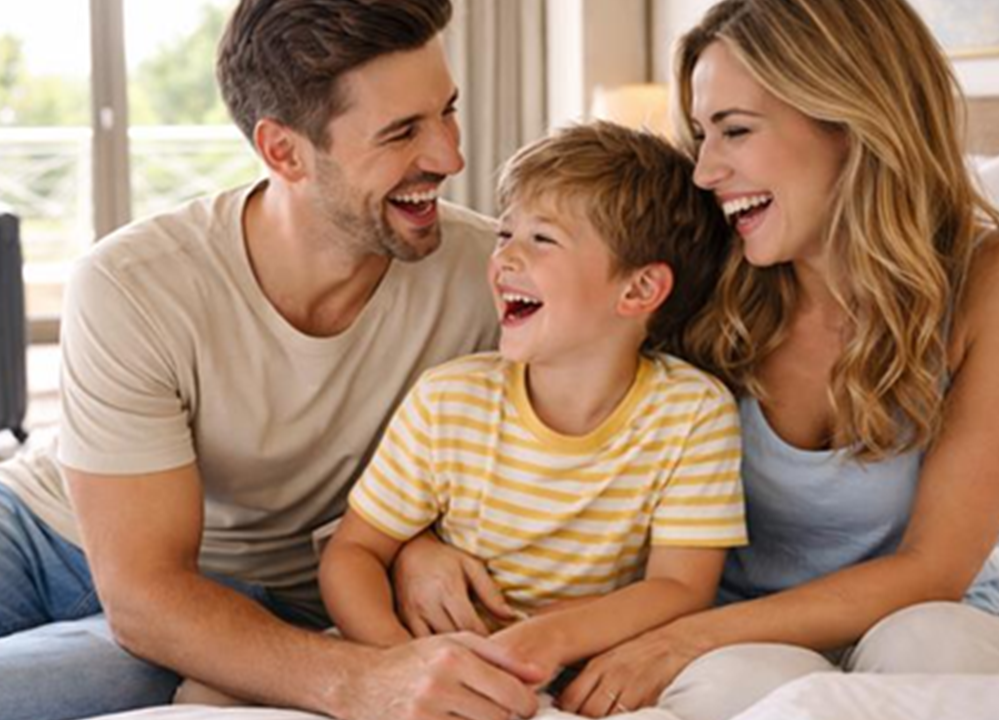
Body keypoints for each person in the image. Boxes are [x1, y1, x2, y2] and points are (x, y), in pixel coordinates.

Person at [0, 2, 552, 719]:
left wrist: (418, 544)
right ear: (283, 150)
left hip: (245, 601)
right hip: (46, 534)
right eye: (402, 132)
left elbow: (567, 448)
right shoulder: (136, 281)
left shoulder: (502, 281)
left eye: (448, 110)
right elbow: (145, 590)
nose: (451, 155)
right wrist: (359, 684)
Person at [387, 1, 999, 718]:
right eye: (701, 135)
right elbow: (543, 424)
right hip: (735, 630)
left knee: (937, 655)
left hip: (917, 614)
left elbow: (935, 567)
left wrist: (681, 640)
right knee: (736, 688)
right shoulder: (706, 272)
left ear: (852, 120)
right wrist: (418, 545)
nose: (707, 172)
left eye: (735, 130)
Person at [319, 121, 745, 713]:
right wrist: (401, 664)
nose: (505, 257)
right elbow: (353, 554)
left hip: (583, 669)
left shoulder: (692, 413)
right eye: (505, 233)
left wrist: (550, 639)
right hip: (433, 657)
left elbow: (681, 587)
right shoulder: (449, 401)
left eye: (542, 239)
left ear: (640, 289)